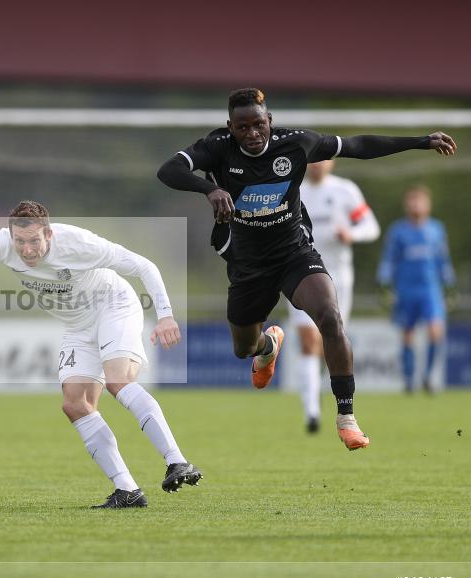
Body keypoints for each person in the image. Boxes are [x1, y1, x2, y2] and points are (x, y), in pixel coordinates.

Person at [157, 87, 456, 451]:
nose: (252, 134)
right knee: (243, 348)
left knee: (330, 317)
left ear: (270, 121)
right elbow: (168, 170)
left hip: (294, 253)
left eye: (258, 125)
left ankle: (346, 416)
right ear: (229, 127)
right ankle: (269, 344)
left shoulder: (297, 144)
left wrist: (420, 141)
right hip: (248, 264)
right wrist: (209, 189)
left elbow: (359, 146)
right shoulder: (216, 147)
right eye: (242, 127)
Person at [0, 201, 201, 509]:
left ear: (49, 233)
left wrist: (165, 315)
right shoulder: (0, 242)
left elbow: (144, 266)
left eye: (34, 241)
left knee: (117, 381)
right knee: (74, 404)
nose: (26, 250)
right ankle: (127, 490)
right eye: (20, 241)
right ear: (11, 235)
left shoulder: (78, 243)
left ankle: (177, 461)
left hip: (114, 306)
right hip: (77, 326)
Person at [287, 160, 380, 433]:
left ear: (332, 162)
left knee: (332, 338)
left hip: (338, 276)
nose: (317, 165)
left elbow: (371, 227)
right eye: (313, 160)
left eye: (323, 159)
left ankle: (329, 396)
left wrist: (351, 233)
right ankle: (311, 411)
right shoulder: (294, 189)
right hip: (300, 274)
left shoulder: (345, 190)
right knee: (308, 341)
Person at [377, 185, 455, 394]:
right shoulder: (398, 231)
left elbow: (443, 260)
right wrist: (385, 284)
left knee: (435, 331)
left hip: (431, 290)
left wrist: (450, 285)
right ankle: (409, 380)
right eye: (412, 201)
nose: (416, 205)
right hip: (405, 290)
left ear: (428, 205)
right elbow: (389, 260)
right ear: (406, 205)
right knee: (408, 334)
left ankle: (428, 377)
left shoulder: (436, 229)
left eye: (420, 201)